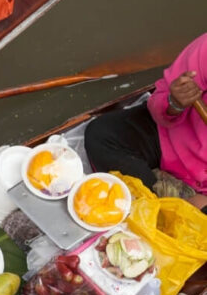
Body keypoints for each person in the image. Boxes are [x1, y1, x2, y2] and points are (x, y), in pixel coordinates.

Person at [85, 33, 207, 209]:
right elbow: (161, 100)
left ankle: (163, 202)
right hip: (171, 139)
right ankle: (160, 201)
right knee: (102, 134)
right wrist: (174, 104)